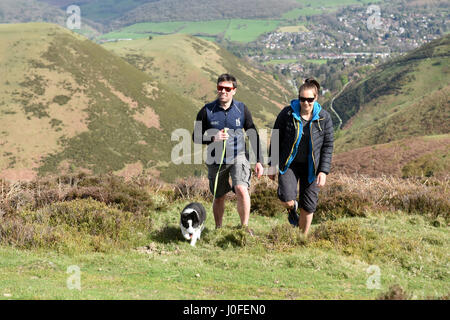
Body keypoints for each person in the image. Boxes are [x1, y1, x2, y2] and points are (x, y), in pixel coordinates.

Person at [193, 74, 264, 234]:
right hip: (216, 159)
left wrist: (259, 160)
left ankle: (244, 228)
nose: (223, 91)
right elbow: (195, 136)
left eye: (227, 89)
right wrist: (213, 137)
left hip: (239, 155)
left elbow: (252, 132)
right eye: (220, 88)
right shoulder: (206, 111)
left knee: (241, 188)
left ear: (234, 91)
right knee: (219, 196)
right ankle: (219, 229)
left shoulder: (242, 109)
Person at [268, 78, 334, 236]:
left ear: (316, 98)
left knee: (309, 205)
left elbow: (328, 146)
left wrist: (323, 171)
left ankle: (302, 238)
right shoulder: (287, 113)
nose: (305, 103)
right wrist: (271, 165)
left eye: (309, 99)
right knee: (286, 198)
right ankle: (293, 209)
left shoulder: (324, 118)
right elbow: (276, 138)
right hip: (290, 164)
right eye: (302, 99)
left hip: (312, 167)